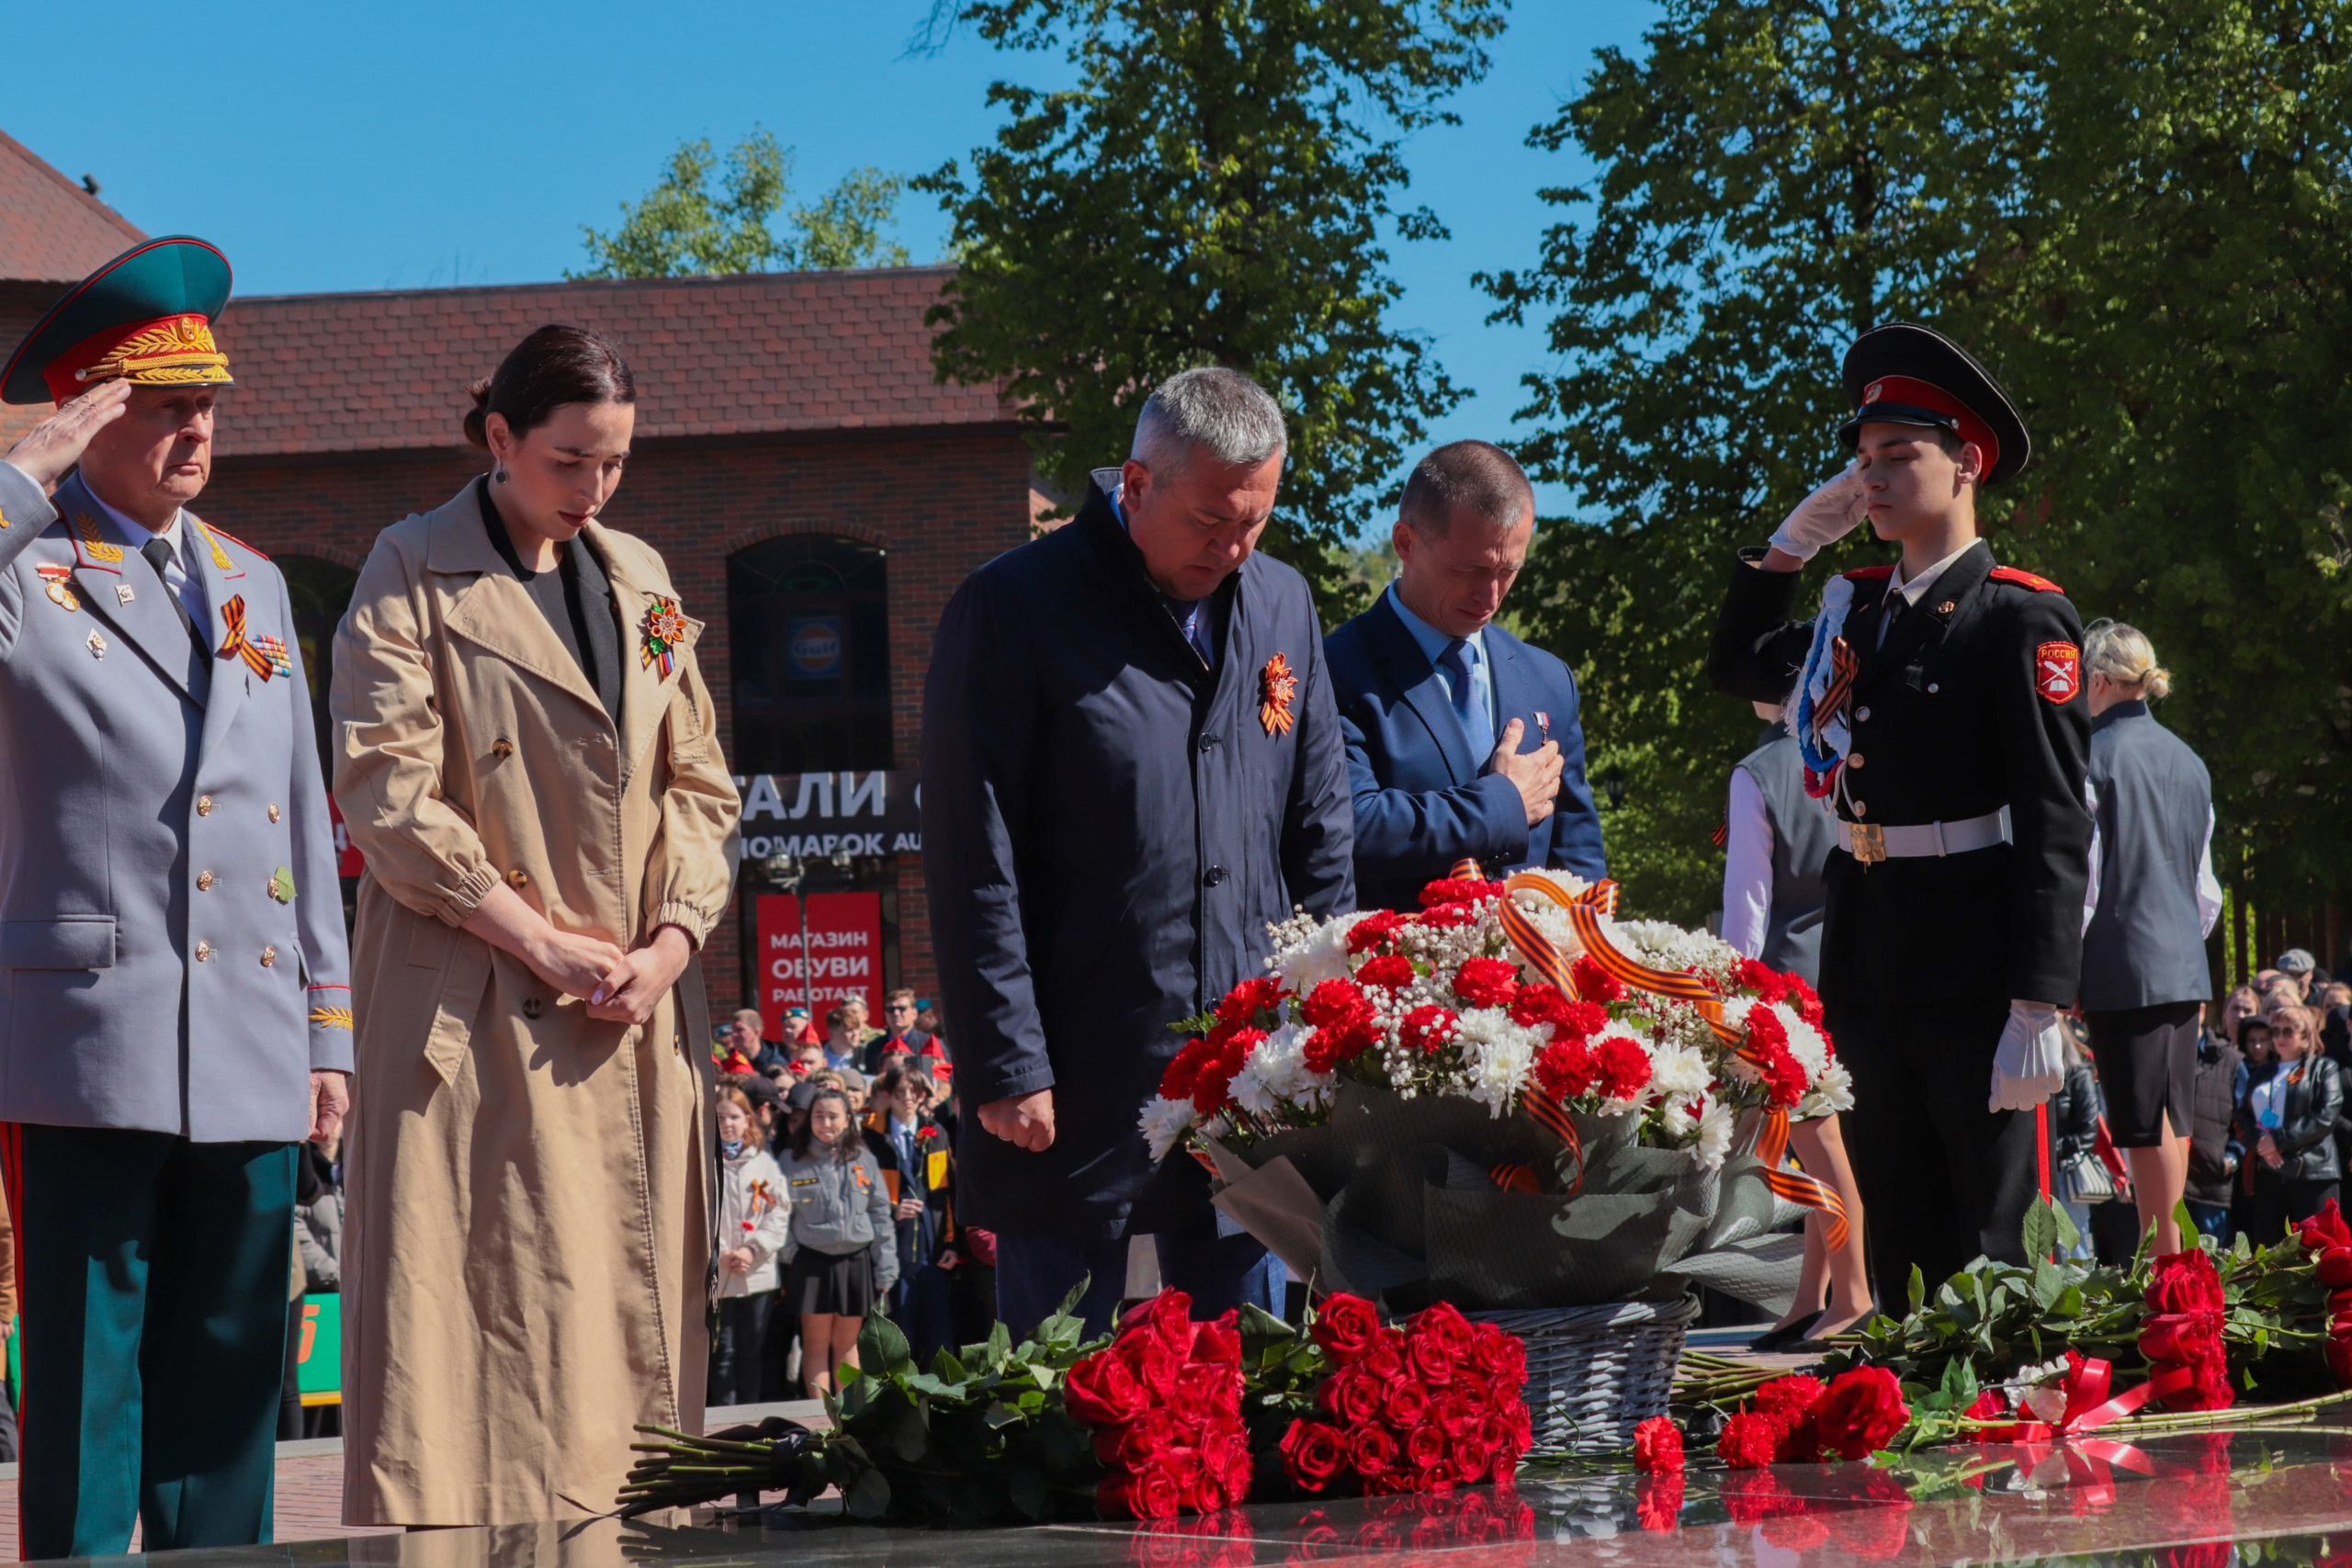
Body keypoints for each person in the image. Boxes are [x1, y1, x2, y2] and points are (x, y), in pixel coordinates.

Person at [332, 324, 740, 1526]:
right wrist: (540, 938)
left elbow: (703, 784)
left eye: (616, 461)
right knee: (484, 1365)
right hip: (479, 1014)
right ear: (499, 437)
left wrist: (669, 944)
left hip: (637, 1011)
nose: (595, 489)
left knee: (633, 1358)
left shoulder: (646, 579)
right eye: (570, 460)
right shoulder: (406, 569)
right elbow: (388, 790)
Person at [0, 238, 353, 1558]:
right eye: (162, 403)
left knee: (225, 1395)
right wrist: (19, 476)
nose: (196, 426)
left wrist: (330, 1033)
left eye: (206, 403)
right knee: (89, 1392)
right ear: (89, 410)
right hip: (89, 1037)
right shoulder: (25, 569)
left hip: (253, 1041)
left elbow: (303, 822)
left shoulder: (254, 581)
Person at [922, 367, 1353, 1338]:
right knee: (1058, 1388)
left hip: (1246, 1072)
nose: (1233, 545)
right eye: (1210, 519)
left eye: (1255, 520)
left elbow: (1319, 831)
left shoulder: (1282, 605)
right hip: (1074, 1068)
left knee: (1248, 1386)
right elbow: (968, 849)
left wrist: (1326, 1025)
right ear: (1136, 483)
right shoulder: (1011, 608)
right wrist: (1002, 1058)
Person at [1706, 322, 2094, 1313]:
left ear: (1965, 463)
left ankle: (2008, 1444)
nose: (1869, 480)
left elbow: (2056, 817)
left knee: (1993, 1233)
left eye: (1896, 458)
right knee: (1897, 1221)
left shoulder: (2020, 617)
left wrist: (2038, 1002)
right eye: (1861, 461)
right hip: (1869, 941)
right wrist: (1789, 546)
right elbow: (1738, 667)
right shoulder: (1856, 609)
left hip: (1974, 952)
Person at [1324, 441, 1604, 908]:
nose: (1490, 595)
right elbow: (1350, 828)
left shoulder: (1548, 679)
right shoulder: (1335, 669)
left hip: (1536, 975)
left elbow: (1577, 861)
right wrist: (1502, 804)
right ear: (1406, 543)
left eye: (1509, 570)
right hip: (1398, 974)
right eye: (1470, 569)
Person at [1718, 704, 1872, 1349]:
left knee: (1822, 1148)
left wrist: (1730, 996)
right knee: (1819, 1150)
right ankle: (1811, 1297)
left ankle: (1855, 1293)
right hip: (1860, 965)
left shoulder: (1760, 771)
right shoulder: (1855, 753)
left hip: (1788, 984)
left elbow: (1747, 909)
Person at [2075, 620, 2222, 1255]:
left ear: (2102, 680)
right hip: (2183, 963)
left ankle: (2161, 1258)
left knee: (2139, 1120)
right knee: (2173, 1115)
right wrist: (2184, 948)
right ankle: (2172, 1258)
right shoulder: (2189, 761)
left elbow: (2085, 879)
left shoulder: (2090, 757)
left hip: (2118, 961)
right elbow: (2206, 889)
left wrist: (2065, 970)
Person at [778, 1086, 898, 1396]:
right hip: (811, 1261)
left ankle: (848, 1416)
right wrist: (790, 1252)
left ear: (848, 1119)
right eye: (819, 1116)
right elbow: (780, 1212)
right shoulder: (791, 1160)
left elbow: (880, 1214)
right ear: (809, 1120)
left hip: (855, 1260)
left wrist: (886, 1265)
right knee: (815, 1343)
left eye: (833, 1116)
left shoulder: (865, 1160)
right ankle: (818, 1418)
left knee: (848, 1344)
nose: (826, 1123)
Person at [865, 1065, 957, 1359]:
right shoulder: (870, 1135)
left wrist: (952, 1243)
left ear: (922, 1095)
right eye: (900, 1092)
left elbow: (946, 1192)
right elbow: (863, 1191)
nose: (907, 1098)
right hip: (893, 1242)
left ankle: (940, 1395)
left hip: (932, 1240)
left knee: (938, 1327)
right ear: (888, 1095)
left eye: (913, 1092)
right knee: (900, 1326)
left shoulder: (936, 1131)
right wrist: (893, 1210)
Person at [710, 1086, 791, 1409]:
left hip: (755, 1269)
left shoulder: (763, 1164)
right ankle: (724, 1417)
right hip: (722, 1268)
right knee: (723, 1350)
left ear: (748, 1119)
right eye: (720, 1117)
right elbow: (699, 1213)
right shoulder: (705, 1161)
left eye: (734, 1116)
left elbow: (778, 1209)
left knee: (751, 1350)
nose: (727, 1123)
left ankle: (750, 1412)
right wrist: (724, 1251)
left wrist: (751, 1250)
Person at [2235, 1002, 2343, 1238]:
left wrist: (2277, 1139)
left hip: (2313, 1171)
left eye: (2288, 1031)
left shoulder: (2324, 1068)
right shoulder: (2263, 1072)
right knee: (2270, 1248)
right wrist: (2261, 1141)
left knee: (2316, 1247)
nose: (2279, 1037)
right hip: (2270, 1171)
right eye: (2274, 1031)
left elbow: (2327, 1115)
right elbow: (2242, 1113)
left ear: (2305, 1036)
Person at [2184, 1021, 2246, 1247]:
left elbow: (2246, 1118)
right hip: (2172, 1181)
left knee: (2213, 1261)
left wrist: (2231, 1158)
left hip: (2210, 1180)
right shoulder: (2164, 1053)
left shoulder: (2230, 1059)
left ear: (2200, 1010)